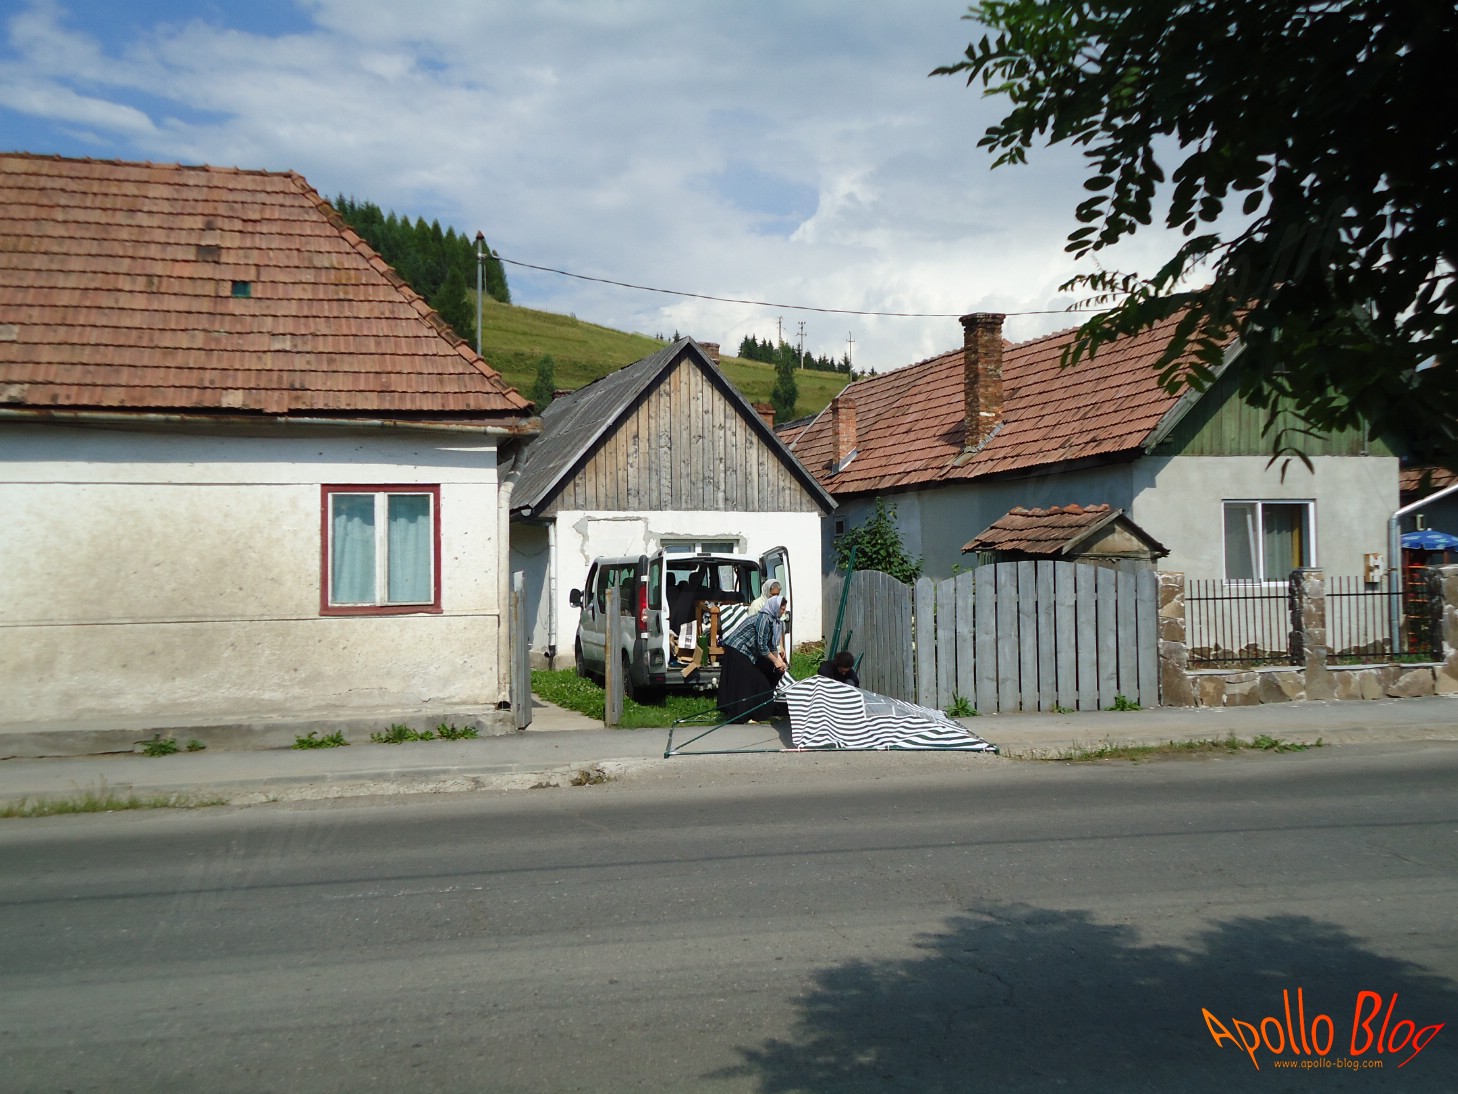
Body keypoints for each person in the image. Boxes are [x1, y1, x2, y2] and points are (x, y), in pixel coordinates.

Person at [718, 594, 788, 724]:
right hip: (738, 649)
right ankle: (742, 714)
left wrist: (780, 661)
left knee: (758, 678)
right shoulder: (764, 619)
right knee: (749, 681)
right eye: (782, 609)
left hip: (747, 651)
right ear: (775, 607)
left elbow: (772, 645)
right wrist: (776, 661)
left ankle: (758, 712)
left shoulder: (774, 621)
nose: (783, 611)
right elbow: (762, 647)